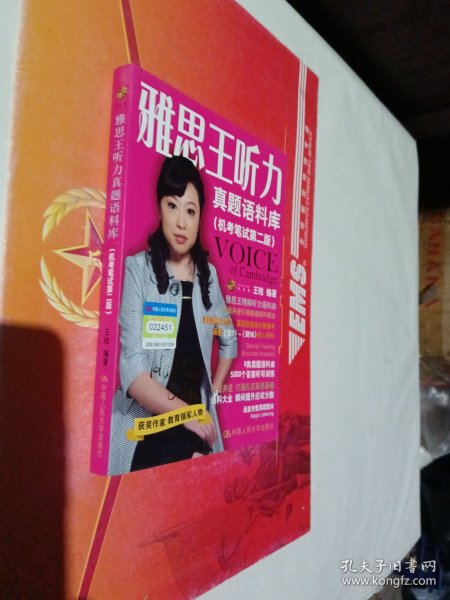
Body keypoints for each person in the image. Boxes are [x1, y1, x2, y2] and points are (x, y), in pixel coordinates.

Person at [108, 155, 237, 474]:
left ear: (200, 216)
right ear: (160, 207)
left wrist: (212, 395)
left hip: (195, 423)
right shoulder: (138, 270)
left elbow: (229, 341)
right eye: (172, 206)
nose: (181, 222)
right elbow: (134, 374)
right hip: (149, 422)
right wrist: (186, 414)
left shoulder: (208, 278)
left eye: (190, 211)